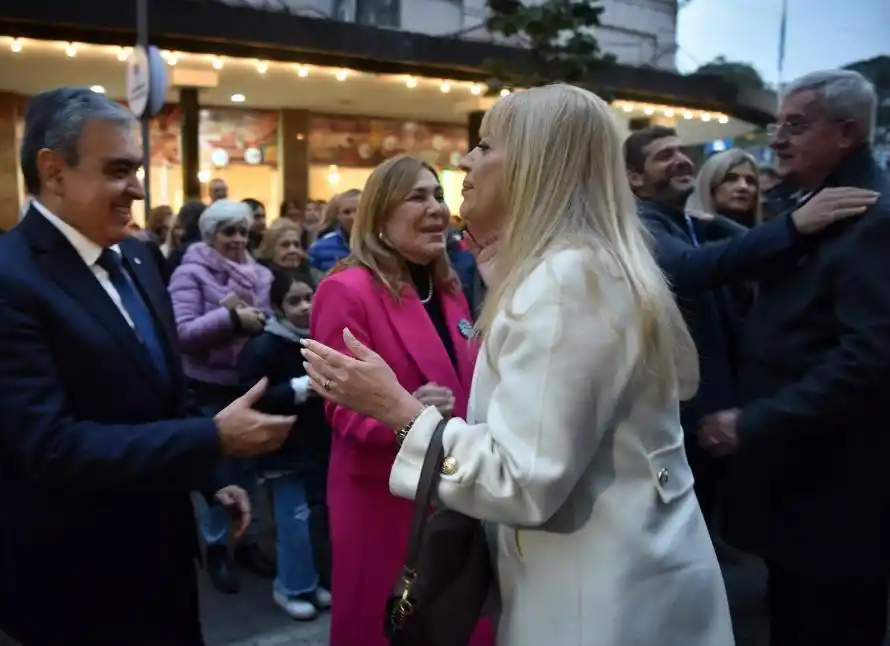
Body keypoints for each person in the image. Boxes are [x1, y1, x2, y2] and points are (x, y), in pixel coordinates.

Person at [302, 84, 734, 646]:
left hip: (593, 601)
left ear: (534, 163)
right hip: (594, 575)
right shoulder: (566, 270)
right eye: (417, 196)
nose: (465, 162)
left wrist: (397, 408)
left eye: (484, 146)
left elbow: (522, 477)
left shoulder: (564, 279)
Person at [0, 87, 295, 646]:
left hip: (164, 566)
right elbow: (47, 446)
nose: (137, 188)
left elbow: (163, 385)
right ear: (53, 172)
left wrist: (211, 480)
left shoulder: (136, 256)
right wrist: (209, 438)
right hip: (73, 584)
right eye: (118, 171)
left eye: (135, 170)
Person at [700, 69, 887, 646]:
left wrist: (753, 421)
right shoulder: (812, 209)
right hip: (798, 491)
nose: (778, 139)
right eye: (778, 123)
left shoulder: (874, 222)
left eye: (797, 126)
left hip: (835, 499)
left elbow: (869, 356)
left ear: (847, 133)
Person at [626, 125, 870, 546]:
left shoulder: (684, 223)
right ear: (634, 179)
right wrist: (793, 225)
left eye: (681, 151)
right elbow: (687, 270)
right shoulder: (639, 222)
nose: (681, 159)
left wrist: (718, 223)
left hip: (712, 416)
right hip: (678, 423)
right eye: (664, 156)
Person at [309, 155, 492, 646]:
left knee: (458, 621)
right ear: (380, 214)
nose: (435, 207)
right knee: (388, 627)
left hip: (454, 489)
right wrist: (403, 408)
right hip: (383, 501)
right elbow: (335, 403)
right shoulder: (344, 290)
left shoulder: (449, 287)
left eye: (437, 195)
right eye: (417, 196)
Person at [168, 198, 274, 594]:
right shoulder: (190, 273)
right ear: (210, 235)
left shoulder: (260, 273)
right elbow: (181, 333)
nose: (237, 239)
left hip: (247, 382)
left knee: (250, 469)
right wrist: (230, 319)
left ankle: (247, 542)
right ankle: (216, 548)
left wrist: (259, 323)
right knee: (217, 474)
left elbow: (265, 322)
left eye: (243, 231)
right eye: (228, 232)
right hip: (207, 386)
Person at [237, 271, 332, 620]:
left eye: (309, 297)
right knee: (293, 524)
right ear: (277, 307)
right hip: (282, 449)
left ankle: (309, 581)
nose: (305, 306)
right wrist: (300, 388)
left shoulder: (318, 338)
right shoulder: (264, 346)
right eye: (294, 300)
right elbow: (251, 396)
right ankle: (290, 586)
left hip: (315, 446)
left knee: (313, 521)